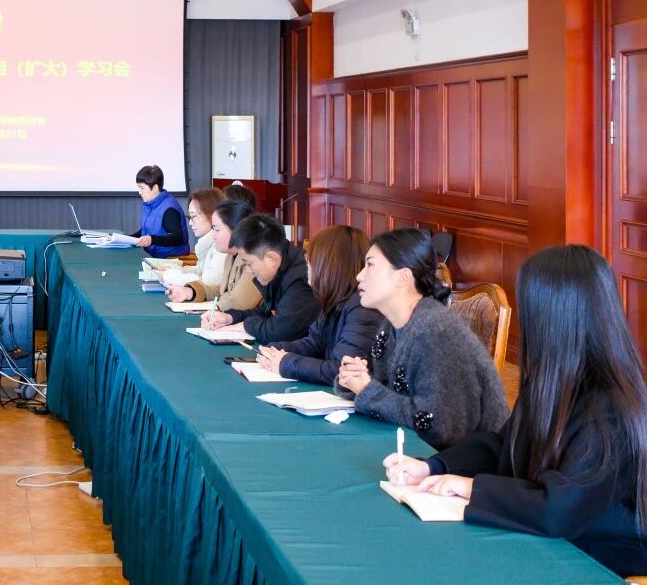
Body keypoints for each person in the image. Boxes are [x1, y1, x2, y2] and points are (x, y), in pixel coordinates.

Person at [382, 246, 647, 575]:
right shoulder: (554, 381)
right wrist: (433, 467)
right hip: (545, 543)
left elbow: (558, 509)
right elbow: (502, 446)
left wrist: (468, 487)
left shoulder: (613, 408)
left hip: (595, 562)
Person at [335, 228, 507, 449]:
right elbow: (387, 389)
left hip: (461, 467)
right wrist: (354, 379)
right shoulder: (391, 325)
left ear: (403, 277)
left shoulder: (434, 331)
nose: (359, 275)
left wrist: (366, 390)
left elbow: (437, 425)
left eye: (369, 265)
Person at [254, 225, 384, 385]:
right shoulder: (336, 298)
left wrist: (285, 362)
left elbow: (339, 370)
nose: (306, 262)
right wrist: (276, 350)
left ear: (329, 264)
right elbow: (315, 343)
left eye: (311, 258)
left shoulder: (362, 307)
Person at [203, 213, 319, 342]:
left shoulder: (302, 280)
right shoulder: (281, 264)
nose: (248, 270)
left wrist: (244, 326)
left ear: (271, 259)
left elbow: (279, 332)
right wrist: (230, 317)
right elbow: (267, 311)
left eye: (249, 263)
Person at [166, 199, 261, 313]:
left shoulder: (253, 259)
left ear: (236, 231)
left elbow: (237, 302)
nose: (213, 236)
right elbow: (222, 291)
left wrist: (218, 301)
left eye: (216, 229)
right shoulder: (231, 255)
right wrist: (190, 292)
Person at [158, 187, 224, 288]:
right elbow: (199, 271)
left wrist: (172, 277)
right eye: (190, 217)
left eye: (193, 216)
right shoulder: (208, 243)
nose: (190, 223)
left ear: (211, 214)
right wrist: (174, 270)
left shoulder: (221, 246)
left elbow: (208, 282)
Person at [127, 164, 189, 257]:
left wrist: (152, 240)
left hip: (169, 258)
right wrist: (126, 238)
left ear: (155, 188)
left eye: (142, 188)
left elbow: (177, 237)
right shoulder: (151, 204)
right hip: (154, 255)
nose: (139, 192)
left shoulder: (169, 208)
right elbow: (146, 231)